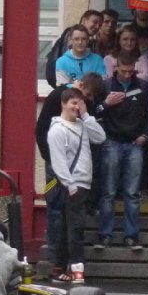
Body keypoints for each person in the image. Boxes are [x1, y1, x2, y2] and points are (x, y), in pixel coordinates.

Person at [36, 72, 105, 258]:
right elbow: (41, 128)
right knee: (54, 205)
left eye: (91, 97)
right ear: (81, 85)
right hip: (54, 164)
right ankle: (53, 253)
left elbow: (98, 136)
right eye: (87, 94)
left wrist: (86, 114)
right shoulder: (56, 96)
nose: (88, 100)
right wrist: (50, 157)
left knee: (72, 215)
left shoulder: (85, 107)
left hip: (76, 169)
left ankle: (66, 255)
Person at [94, 52, 148, 251]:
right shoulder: (106, 86)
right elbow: (94, 113)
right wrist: (106, 104)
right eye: (123, 71)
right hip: (111, 142)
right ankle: (105, 235)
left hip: (135, 143)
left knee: (132, 193)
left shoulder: (143, 86)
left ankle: (132, 236)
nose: (127, 75)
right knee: (108, 192)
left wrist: (146, 135)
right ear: (116, 68)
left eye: (131, 71)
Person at [48, 86, 106, 283]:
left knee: (67, 227)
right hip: (71, 186)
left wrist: (87, 116)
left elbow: (100, 137)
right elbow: (58, 161)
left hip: (84, 183)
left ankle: (58, 267)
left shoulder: (82, 124)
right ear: (63, 104)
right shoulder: (57, 130)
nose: (76, 107)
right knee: (76, 228)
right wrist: (70, 184)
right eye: (73, 103)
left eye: (79, 103)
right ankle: (76, 268)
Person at [44, 9, 102, 89]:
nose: (97, 27)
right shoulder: (71, 35)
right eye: (95, 22)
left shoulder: (92, 43)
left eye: (100, 25)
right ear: (84, 20)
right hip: (66, 83)